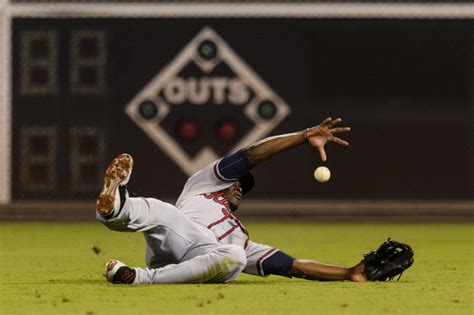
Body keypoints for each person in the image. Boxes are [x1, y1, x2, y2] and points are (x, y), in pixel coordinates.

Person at [97, 117, 367, 284]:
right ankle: (116, 207)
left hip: (198, 261)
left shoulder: (241, 237)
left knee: (235, 256)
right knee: (161, 211)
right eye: (236, 183)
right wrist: (304, 136)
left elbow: (293, 266)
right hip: (174, 238)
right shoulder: (201, 186)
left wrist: (347, 273)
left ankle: (135, 277)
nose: (239, 187)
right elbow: (252, 155)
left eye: (244, 188)